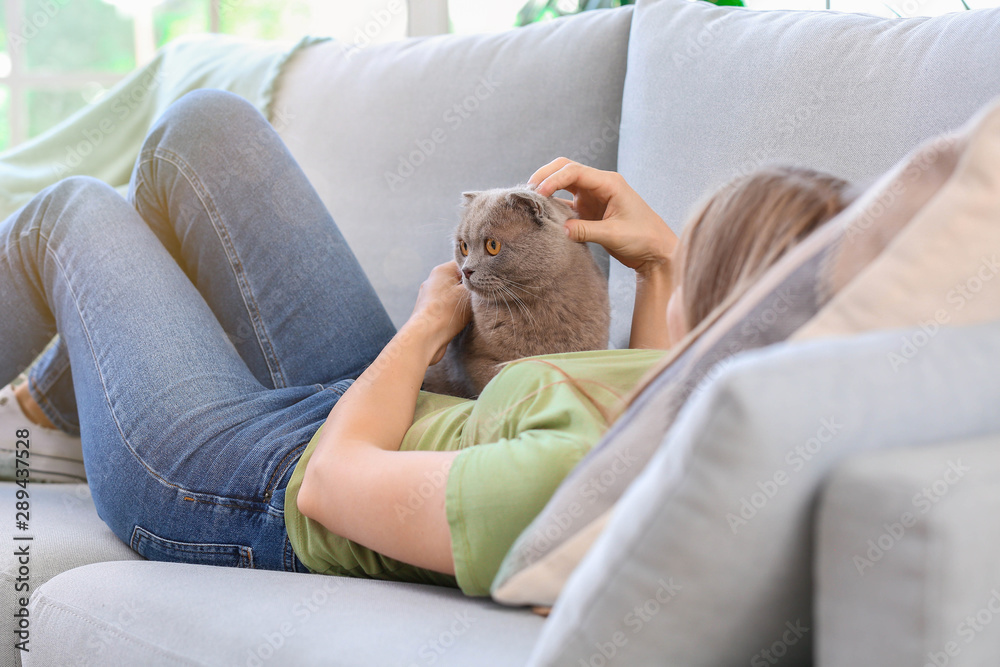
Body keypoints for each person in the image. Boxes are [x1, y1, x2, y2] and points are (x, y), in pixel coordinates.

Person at [0, 90, 851, 595]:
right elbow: (655, 387)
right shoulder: (711, 403)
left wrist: (427, 325)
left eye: (700, 251)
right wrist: (662, 262)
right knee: (203, 129)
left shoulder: (565, 483)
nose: (673, 248)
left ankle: (53, 419)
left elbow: (335, 484)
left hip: (258, 478)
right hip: (392, 400)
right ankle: (49, 411)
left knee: (70, 213)